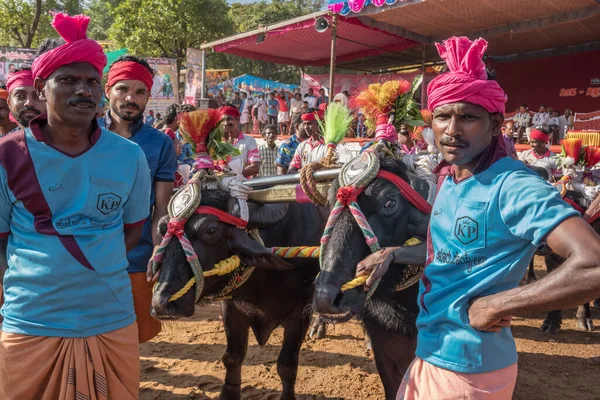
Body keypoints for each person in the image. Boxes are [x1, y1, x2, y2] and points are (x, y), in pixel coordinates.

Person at [355, 36, 600, 400]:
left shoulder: (512, 185)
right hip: (433, 353)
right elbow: (450, 251)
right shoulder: (453, 178)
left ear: (496, 123)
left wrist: (500, 303)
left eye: (468, 117)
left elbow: (593, 264)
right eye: (442, 116)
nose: (452, 130)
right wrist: (393, 253)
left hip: (468, 370)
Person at [0, 13, 151, 399]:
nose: (83, 90)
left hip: (111, 318)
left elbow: (132, 232)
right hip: (30, 323)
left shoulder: (130, 156)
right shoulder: (7, 156)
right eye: (68, 79)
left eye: (91, 81)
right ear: (40, 88)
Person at [101, 55, 177, 343]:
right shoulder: (83, 133)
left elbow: (161, 207)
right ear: (108, 90)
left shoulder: (161, 143)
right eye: (122, 89)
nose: (130, 98)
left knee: (132, 338)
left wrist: (157, 254)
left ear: (147, 97)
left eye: (139, 91)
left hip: (136, 258)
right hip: (85, 255)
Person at [221, 105, 260, 178]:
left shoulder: (249, 141)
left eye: (229, 119)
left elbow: (255, 167)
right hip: (217, 186)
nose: (226, 123)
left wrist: (232, 176)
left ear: (237, 119)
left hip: (241, 186)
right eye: (222, 120)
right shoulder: (215, 142)